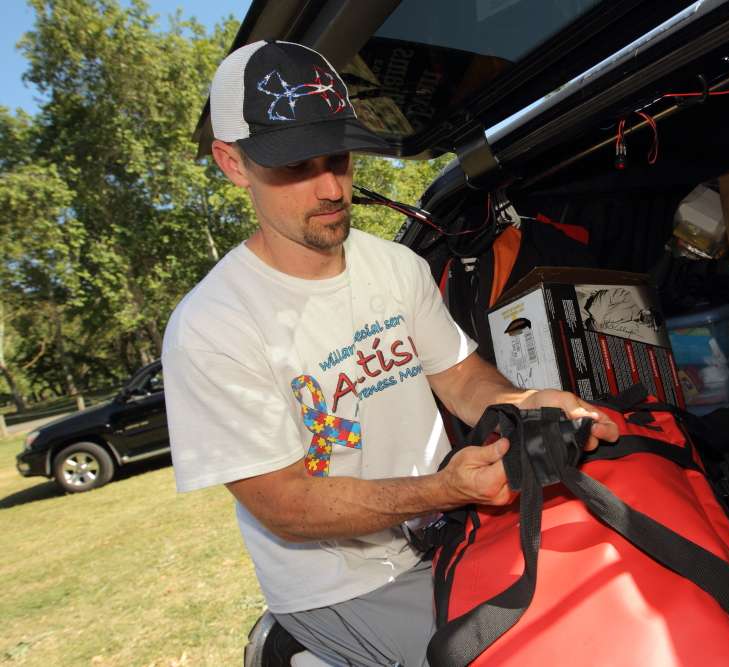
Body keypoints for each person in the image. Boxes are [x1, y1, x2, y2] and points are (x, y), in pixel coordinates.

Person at [162, 40, 618, 667]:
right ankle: (298, 648)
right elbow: (286, 507)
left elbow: (460, 378)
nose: (330, 188)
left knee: (600, 599)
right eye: (295, 166)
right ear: (232, 163)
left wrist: (527, 399)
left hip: (448, 527)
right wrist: (442, 489)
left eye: (338, 158)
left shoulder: (395, 267)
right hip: (341, 581)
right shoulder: (212, 326)